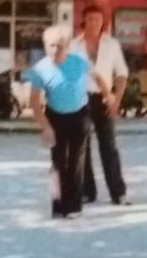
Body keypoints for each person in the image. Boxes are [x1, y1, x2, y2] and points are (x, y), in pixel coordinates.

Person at [25, 24, 109, 218]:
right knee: (58, 162)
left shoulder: (79, 61)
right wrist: (45, 127)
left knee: (76, 161)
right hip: (55, 115)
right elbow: (35, 103)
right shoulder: (40, 69)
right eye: (51, 45)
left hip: (79, 115)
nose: (55, 50)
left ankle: (73, 205)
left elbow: (98, 77)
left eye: (60, 45)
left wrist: (108, 96)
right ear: (45, 46)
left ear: (68, 46)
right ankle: (58, 204)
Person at [74, 5, 130, 205]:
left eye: (98, 20)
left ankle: (118, 192)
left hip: (104, 97)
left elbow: (122, 73)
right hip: (79, 98)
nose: (94, 24)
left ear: (102, 22)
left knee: (109, 145)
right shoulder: (74, 45)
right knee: (81, 147)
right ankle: (87, 191)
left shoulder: (111, 45)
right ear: (84, 21)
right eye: (90, 19)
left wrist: (116, 98)